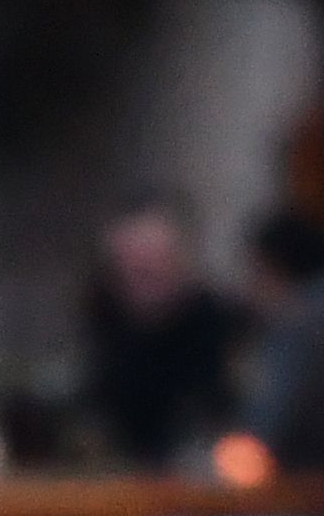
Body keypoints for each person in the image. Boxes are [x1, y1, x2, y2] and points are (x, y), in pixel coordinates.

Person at [78, 193, 245, 467]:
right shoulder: (107, 327)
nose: (141, 280)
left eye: (152, 266)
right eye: (129, 269)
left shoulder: (223, 330)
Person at [236, 208, 324, 479]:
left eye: (256, 271)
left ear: (275, 268)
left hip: (312, 487)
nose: (250, 287)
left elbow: (266, 425)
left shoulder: (298, 326)